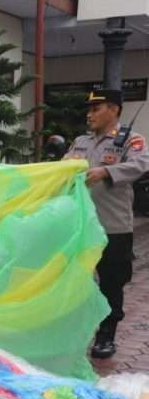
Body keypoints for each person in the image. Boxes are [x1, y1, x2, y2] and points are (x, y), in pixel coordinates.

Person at [63, 89, 149, 358]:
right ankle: (73, 331)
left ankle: (106, 335)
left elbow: (141, 164)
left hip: (113, 226)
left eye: (96, 109)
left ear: (113, 109)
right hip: (79, 225)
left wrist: (106, 171)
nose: (89, 115)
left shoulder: (130, 141)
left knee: (112, 282)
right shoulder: (80, 142)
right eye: (88, 110)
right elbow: (63, 166)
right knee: (75, 280)